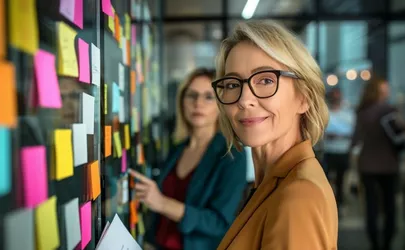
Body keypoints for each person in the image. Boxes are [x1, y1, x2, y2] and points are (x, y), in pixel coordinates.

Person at [211, 20, 337, 250]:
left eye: (266, 80)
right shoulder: (273, 183)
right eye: (232, 84)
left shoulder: (298, 195)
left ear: (304, 97)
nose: (243, 99)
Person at [129, 68, 247, 250]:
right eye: (191, 95)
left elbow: (220, 223)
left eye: (208, 97)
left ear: (221, 105)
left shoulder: (231, 154)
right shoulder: (177, 149)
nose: (198, 103)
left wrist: (162, 203)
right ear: (182, 102)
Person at [351, 77, 404, 250]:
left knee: (371, 208)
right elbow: (398, 139)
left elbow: (356, 141)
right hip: (389, 165)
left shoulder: (362, 111)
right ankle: (387, 243)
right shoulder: (389, 111)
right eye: (386, 88)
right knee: (390, 208)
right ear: (381, 91)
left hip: (367, 165)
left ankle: (374, 244)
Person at [324, 87, 355, 215]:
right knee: (326, 179)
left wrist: (343, 136)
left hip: (343, 151)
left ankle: (340, 205)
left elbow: (353, 130)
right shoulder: (325, 113)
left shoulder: (347, 113)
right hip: (329, 150)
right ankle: (327, 204)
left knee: (341, 180)